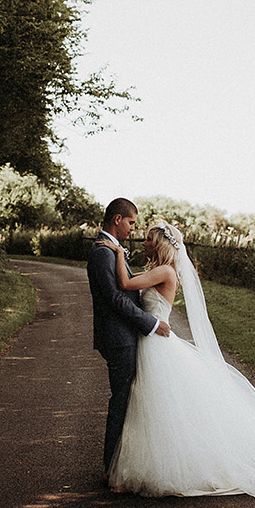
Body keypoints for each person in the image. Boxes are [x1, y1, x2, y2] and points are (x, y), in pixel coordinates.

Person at [97, 221, 255, 499]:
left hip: (156, 344)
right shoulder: (160, 270)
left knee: (159, 406)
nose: (143, 242)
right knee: (149, 407)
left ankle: (168, 467)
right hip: (151, 341)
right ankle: (141, 466)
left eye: (148, 239)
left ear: (159, 244)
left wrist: (119, 253)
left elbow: (124, 284)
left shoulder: (164, 271)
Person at [86, 198, 171, 482]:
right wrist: (150, 322)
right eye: (132, 223)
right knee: (121, 401)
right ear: (118, 220)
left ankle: (120, 466)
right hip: (119, 338)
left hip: (125, 335)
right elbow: (114, 297)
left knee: (128, 401)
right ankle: (111, 470)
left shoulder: (111, 250)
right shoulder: (102, 252)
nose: (133, 230)